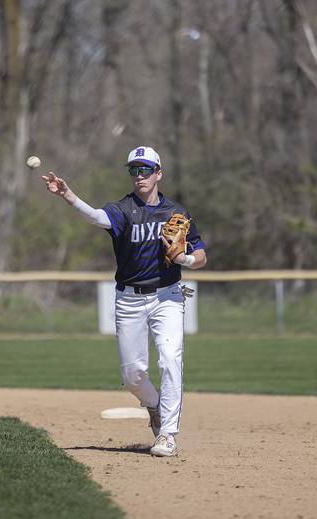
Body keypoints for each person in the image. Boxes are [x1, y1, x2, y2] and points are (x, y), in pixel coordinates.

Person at [42, 146, 207, 457]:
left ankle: (167, 434)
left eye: (145, 169)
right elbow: (95, 217)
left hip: (167, 295)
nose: (140, 175)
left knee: (171, 359)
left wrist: (184, 257)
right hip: (129, 300)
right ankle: (155, 405)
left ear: (159, 173)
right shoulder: (122, 210)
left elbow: (201, 255)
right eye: (134, 170)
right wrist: (68, 196)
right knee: (133, 376)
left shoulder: (176, 212)